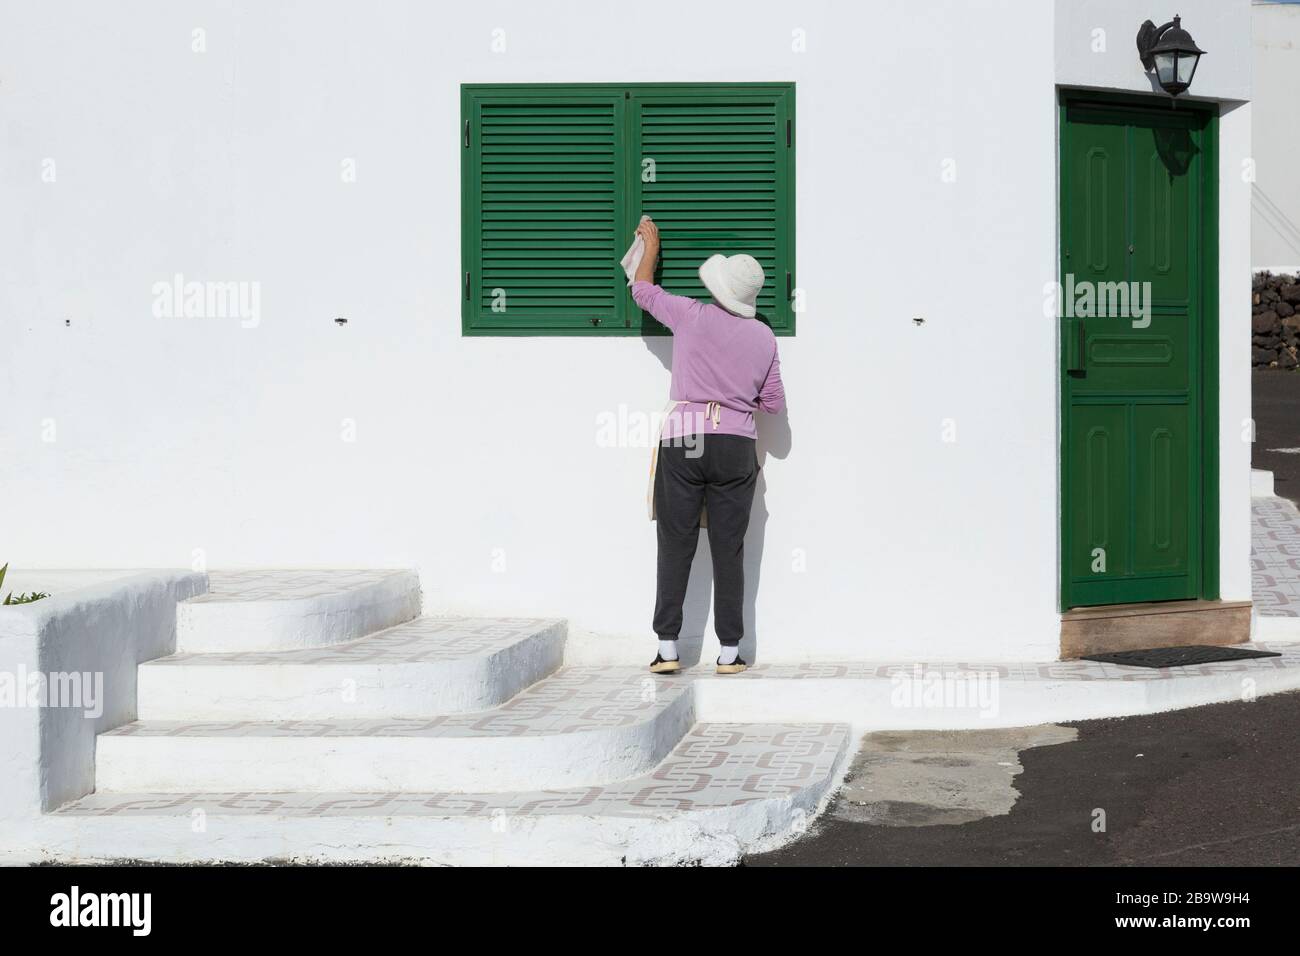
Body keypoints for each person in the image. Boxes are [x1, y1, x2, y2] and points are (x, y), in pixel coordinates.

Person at [631, 218, 785, 676]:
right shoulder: (764, 335)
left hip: (687, 437)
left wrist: (650, 250)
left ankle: (667, 648)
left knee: (675, 541)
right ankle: (731, 652)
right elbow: (773, 403)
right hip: (736, 442)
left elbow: (641, 292)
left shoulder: (690, 315)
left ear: (717, 289)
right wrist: (738, 397)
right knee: (728, 546)